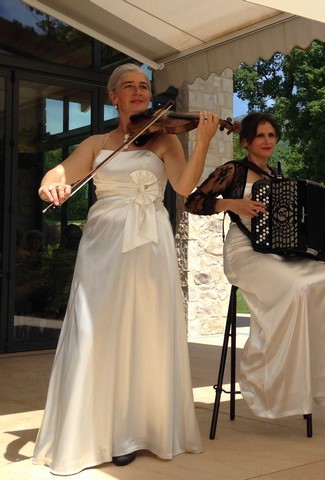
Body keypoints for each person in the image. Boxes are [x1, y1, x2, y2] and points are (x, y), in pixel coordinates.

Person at [33, 63, 220, 476]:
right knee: (95, 330)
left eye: (144, 87)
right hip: (103, 244)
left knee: (145, 330)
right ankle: (92, 430)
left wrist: (203, 141)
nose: (139, 92)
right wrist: (51, 185)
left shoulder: (165, 140)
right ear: (113, 97)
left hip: (150, 244)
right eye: (129, 86)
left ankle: (134, 432)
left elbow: (183, 186)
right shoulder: (96, 143)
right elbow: (58, 174)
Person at [184, 112, 325, 420]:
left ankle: (317, 381)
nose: (267, 141)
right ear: (246, 142)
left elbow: (296, 231)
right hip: (243, 251)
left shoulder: (280, 178)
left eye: (271, 135)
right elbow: (193, 202)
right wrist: (231, 204)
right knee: (295, 287)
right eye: (260, 136)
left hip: (276, 253)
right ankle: (264, 376)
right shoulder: (233, 170)